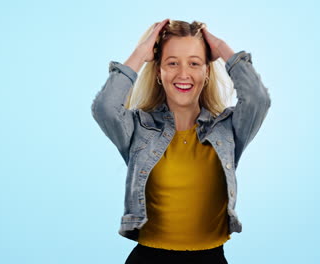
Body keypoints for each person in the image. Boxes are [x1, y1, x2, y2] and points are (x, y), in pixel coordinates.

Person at [91, 18, 271, 264]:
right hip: (149, 258)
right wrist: (140, 53)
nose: (183, 74)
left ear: (206, 71)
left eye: (195, 63)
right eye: (172, 63)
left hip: (211, 258)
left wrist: (221, 48)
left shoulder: (227, 129)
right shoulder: (138, 128)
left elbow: (257, 99)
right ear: (158, 71)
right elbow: (105, 107)